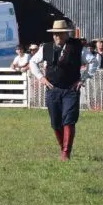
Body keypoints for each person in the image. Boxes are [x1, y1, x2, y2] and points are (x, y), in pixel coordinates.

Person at [28, 19, 84, 161]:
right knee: (55, 122)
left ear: (66, 34)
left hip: (70, 89)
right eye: (55, 34)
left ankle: (66, 152)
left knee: (68, 120)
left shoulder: (77, 47)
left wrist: (82, 78)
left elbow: (94, 61)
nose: (57, 37)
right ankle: (62, 148)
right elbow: (32, 62)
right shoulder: (46, 48)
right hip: (52, 89)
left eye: (60, 34)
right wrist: (41, 77)